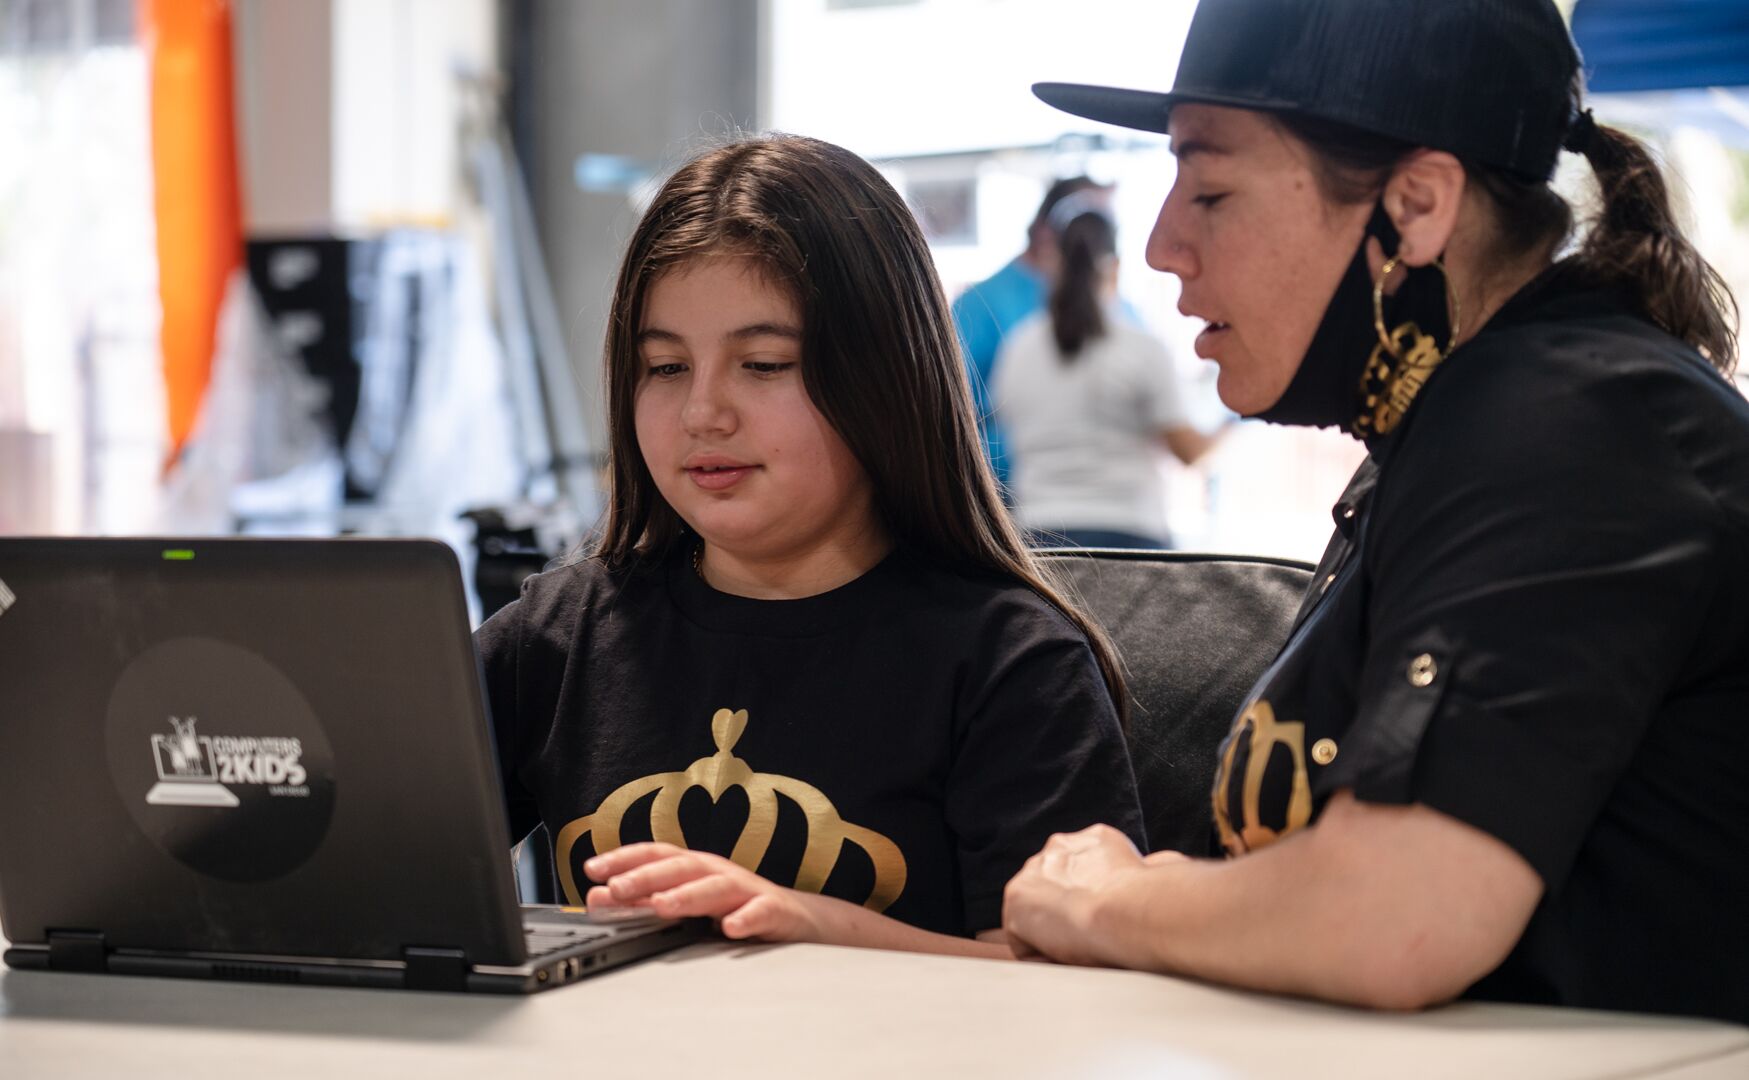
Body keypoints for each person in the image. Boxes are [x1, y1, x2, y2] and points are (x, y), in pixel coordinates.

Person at [1003, 0, 1748, 1025]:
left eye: (1211, 187)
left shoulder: (1575, 425)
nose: (1166, 244)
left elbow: (1396, 918)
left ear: (1417, 205)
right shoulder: (1447, 441)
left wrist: (1117, 896)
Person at [475, 134, 1145, 958]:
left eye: (761, 364)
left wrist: (815, 926)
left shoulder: (1010, 664)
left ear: (884, 378)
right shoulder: (560, 636)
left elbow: (1079, 983)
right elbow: (366, 851)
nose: (702, 413)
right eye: (664, 367)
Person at [993, 199, 1222, 549]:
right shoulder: (1141, 347)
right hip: (1132, 539)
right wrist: (1237, 423)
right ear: (1115, 268)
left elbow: (1005, 429)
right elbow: (1189, 453)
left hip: (1039, 541)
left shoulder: (1017, 349)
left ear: (1052, 263)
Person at [952, 176, 1113, 491]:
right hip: (1007, 492)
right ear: (1045, 231)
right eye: (1085, 226)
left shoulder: (1118, 309)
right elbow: (952, 409)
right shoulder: (980, 305)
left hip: (1097, 489)